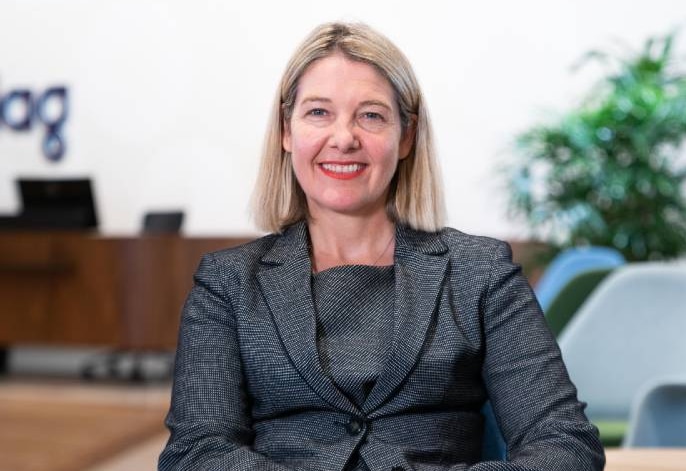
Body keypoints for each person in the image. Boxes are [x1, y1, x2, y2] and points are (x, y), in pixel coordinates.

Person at [158, 22, 605, 471]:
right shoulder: (228, 285)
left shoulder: (480, 273)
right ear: (286, 132)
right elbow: (196, 454)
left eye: (371, 115)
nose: (344, 137)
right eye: (318, 112)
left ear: (406, 137)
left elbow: (565, 445)